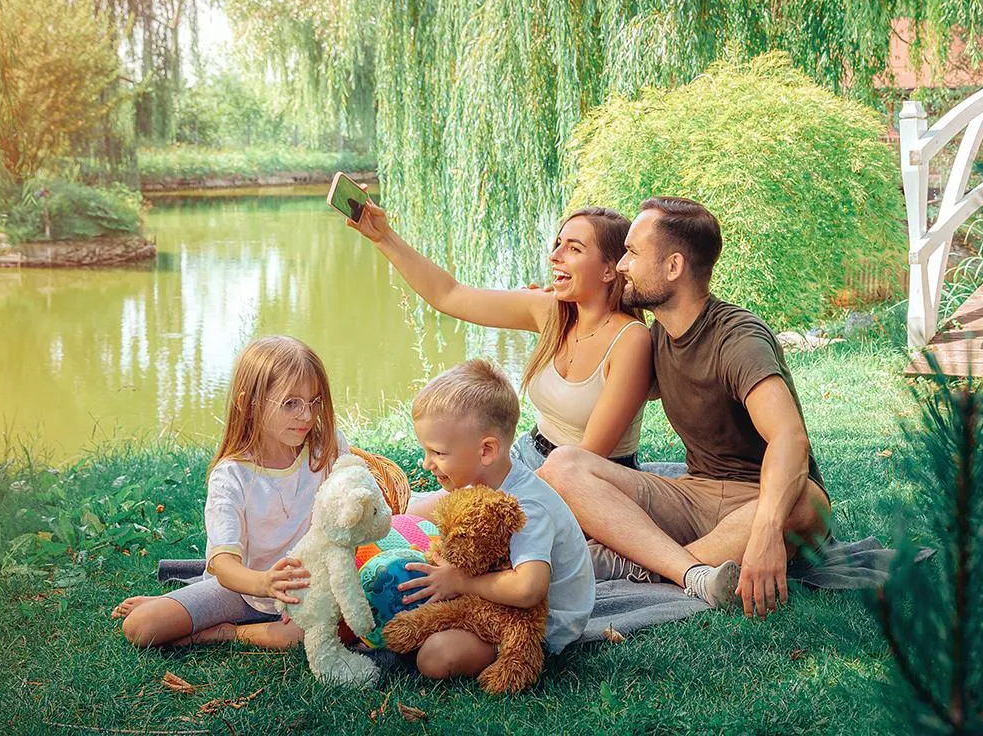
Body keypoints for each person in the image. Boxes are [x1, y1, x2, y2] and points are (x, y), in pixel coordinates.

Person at [540, 197, 831, 618]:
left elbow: (789, 436)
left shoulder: (738, 338)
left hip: (760, 500)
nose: (622, 265)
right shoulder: (654, 339)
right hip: (694, 495)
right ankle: (684, 571)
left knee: (807, 503)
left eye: (633, 254)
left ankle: (636, 564)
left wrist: (767, 530)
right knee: (564, 465)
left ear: (673, 267)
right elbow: (599, 337)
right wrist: (565, 305)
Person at [344, 190, 651, 474]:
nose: (555, 256)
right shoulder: (549, 311)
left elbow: (587, 460)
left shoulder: (630, 341)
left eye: (574, 249)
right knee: (413, 516)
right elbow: (449, 295)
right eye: (558, 244)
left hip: (590, 480)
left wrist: (507, 493)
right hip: (526, 455)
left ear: (610, 270)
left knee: (460, 519)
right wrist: (383, 237)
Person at [111, 335, 345, 648]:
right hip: (242, 591)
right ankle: (188, 604)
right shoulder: (232, 476)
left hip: (308, 592)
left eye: (314, 402)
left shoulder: (327, 449)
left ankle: (229, 632)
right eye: (291, 403)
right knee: (142, 626)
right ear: (248, 404)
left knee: (321, 633)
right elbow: (224, 565)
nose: (306, 415)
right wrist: (264, 584)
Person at [395, 359, 594, 680]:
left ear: (486, 450)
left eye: (439, 453)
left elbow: (530, 589)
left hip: (539, 622)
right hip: (495, 601)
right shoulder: (487, 478)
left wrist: (459, 581)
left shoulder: (524, 508)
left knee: (435, 656)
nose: (426, 463)